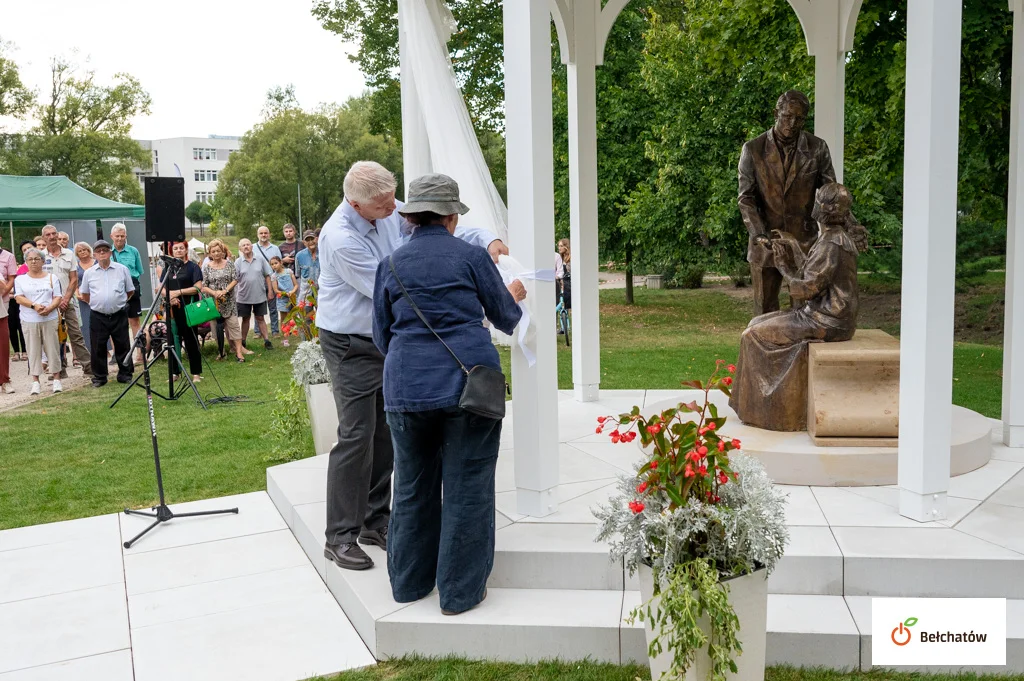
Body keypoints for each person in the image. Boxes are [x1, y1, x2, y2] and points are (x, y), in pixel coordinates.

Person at [317, 161, 509, 572]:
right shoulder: (340, 238)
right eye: (385, 205)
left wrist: (487, 239)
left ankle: (376, 521)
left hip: (389, 338)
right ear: (357, 203)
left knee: (386, 432)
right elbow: (399, 285)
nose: (395, 210)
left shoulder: (386, 206)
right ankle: (340, 536)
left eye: (395, 200)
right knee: (356, 435)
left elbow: (436, 226)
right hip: (352, 343)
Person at [372, 174, 524, 614]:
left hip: (406, 387)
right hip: (469, 385)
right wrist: (513, 294)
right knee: (468, 485)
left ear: (411, 217)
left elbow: (382, 336)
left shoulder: (391, 264)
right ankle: (459, 594)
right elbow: (507, 318)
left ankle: (408, 584)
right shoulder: (473, 257)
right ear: (452, 217)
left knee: (412, 486)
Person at [729, 183, 868, 431]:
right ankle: (759, 403)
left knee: (751, 335)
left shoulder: (830, 243)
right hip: (825, 315)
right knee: (755, 323)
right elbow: (812, 274)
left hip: (826, 320)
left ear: (822, 209)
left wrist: (781, 265)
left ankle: (767, 409)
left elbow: (806, 290)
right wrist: (793, 245)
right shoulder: (832, 238)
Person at [738, 90, 858, 316]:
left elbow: (830, 192)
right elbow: (746, 198)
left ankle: (803, 352)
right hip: (766, 242)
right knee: (764, 310)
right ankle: (766, 351)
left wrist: (851, 224)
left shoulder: (817, 148)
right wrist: (758, 233)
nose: (792, 124)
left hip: (805, 244)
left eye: (799, 119)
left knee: (806, 310)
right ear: (776, 113)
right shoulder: (753, 149)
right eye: (787, 116)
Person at [79, 240, 135, 387]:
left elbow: (130, 291)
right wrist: (98, 303)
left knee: (123, 344)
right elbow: (84, 294)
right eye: (99, 251)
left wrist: (117, 302)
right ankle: (100, 377)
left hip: (118, 313)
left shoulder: (122, 269)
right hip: (98, 315)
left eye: (105, 250)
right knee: (98, 347)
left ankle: (125, 374)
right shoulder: (89, 273)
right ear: (95, 254)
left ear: (110, 253)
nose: (102, 253)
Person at [41, 225, 92, 379]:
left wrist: (65, 299)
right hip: (49, 304)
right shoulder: (41, 256)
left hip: (67, 302)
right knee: (54, 337)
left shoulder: (69, 254)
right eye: (48, 234)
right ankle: (59, 369)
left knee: (75, 334)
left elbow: (74, 279)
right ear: (43, 238)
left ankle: (88, 367)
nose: (51, 236)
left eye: (54, 233)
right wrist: (54, 303)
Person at [14, 248, 63, 394]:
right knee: (33, 350)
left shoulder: (51, 277)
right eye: (30, 259)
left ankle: (56, 379)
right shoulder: (20, 279)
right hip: (29, 319)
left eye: (37, 259)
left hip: (50, 317)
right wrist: (34, 305)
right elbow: (19, 297)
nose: (34, 262)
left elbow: (58, 296)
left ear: (42, 261)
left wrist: (49, 308)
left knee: (52, 348)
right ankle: (35, 381)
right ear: (26, 262)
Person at [165, 241, 204, 383]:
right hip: (172, 309)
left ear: (186, 249)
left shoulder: (192, 267)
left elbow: (197, 287)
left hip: (188, 308)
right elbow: (162, 288)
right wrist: (171, 297)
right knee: (173, 341)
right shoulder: (168, 268)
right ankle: (175, 372)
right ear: (172, 251)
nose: (179, 250)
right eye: (175, 248)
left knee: (191, 340)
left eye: (181, 248)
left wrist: (178, 293)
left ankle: (196, 373)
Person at [201, 239, 245, 362]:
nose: (216, 253)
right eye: (213, 251)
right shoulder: (206, 267)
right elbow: (204, 285)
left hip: (229, 301)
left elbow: (235, 279)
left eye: (218, 251)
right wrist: (214, 293)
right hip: (214, 302)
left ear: (222, 252)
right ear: (209, 253)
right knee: (215, 329)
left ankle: (239, 353)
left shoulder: (229, 264)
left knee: (234, 327)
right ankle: (221, 352)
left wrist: (225, 290)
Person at [109, 223, 145, 364]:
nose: (120, 238)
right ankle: (117, 354)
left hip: (132, 289)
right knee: (115, 323)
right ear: (112, 236)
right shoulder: (107, 252)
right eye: (117, 236)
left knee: (134, 321)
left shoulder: (133, 251)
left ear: (126, 236)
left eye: (122, 236)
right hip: (113, 291)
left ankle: (139, 354)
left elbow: (139, 271)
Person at [234, 238, 274, 351]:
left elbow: (267, 275)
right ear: (240, 249)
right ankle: (243, 341)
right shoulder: (237, 262)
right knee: (245, 319)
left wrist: (270, 291)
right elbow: (234, 280)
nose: (246, 247)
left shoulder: (260, 259)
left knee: (260, 318)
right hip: (243, 296)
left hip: (259, 294)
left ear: (252, 246)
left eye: (248, 244)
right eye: (243, 245)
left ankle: (267, 340)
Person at [255, 226, 283, 338]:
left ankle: (275, 330)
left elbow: (279, 265)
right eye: (261, 233)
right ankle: (258, 332)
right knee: (258, 307)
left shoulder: (275, 248)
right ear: (258, 235)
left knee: (273, 307)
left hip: (272, 281)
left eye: (265, 233)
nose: (263, 235)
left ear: (269, 234)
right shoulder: (252, 247)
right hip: (258, 282)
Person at [8, 241, 33, 363]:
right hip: (12, 300)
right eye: (24, 250)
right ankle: (16, 351)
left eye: (29, 248)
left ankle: (25, 351)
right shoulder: (20, 269)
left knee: (21, 326)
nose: (27, 251)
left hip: (26, 300)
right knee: (11, 326)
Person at [0, 242, 19, 392]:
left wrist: (4, 291)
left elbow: (5, 283)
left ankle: (5, 380)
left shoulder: (7, 257)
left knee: (2, 345)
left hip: (1, 307)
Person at [73, 242, 96, 353]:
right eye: (80, 251)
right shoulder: (76, 265)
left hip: (96, 297)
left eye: (84, 250)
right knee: (85, 324)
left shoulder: (96, 263)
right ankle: (90, 349)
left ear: (89, 250)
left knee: (99, 322)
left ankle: (106, 349)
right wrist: (77, 293)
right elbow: (74, 281)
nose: (82, 252)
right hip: (82, 299)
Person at [270, 256, 296, 346]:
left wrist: (292, 292)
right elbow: (276, 290)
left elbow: (296, 285)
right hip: (282, 300)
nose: (274, 266)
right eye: (272, 264)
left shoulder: (289, 272)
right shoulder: (274, 276)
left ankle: (299, 333)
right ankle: (285, 339)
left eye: (276, 263)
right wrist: (285, 293)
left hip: (292, 298)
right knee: (284, 319)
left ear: (281, 262)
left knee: (294, 317)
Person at [295, 230, 321, 305]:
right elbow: (298, 274)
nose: (310, 242)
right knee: (305, 315)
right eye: (307, 240)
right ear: (304, 242)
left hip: (321, 292)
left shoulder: (323, 253)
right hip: (305, 293)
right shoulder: (299, 256)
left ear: (316, 239)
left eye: (312, 239)